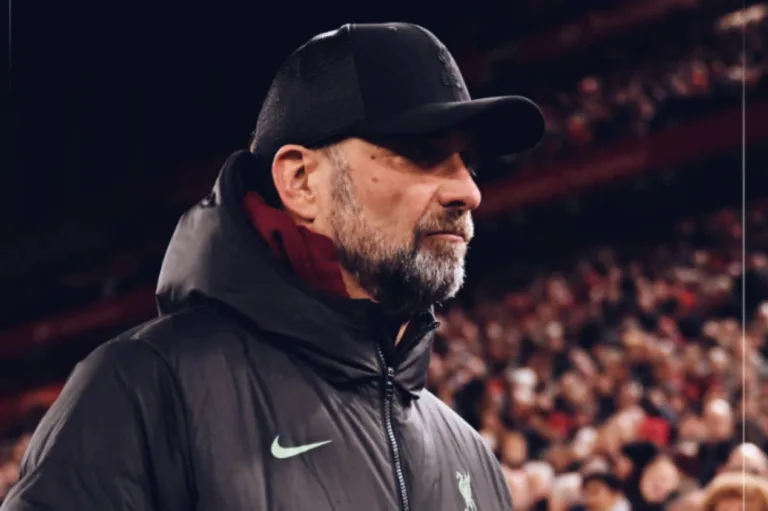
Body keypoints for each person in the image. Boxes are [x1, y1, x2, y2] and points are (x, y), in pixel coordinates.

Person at [1, 22, 544, 510]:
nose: (468, 191)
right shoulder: (144, 388)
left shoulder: (470, 454)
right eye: (424, 154)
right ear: (301, 181)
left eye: (468, 164)